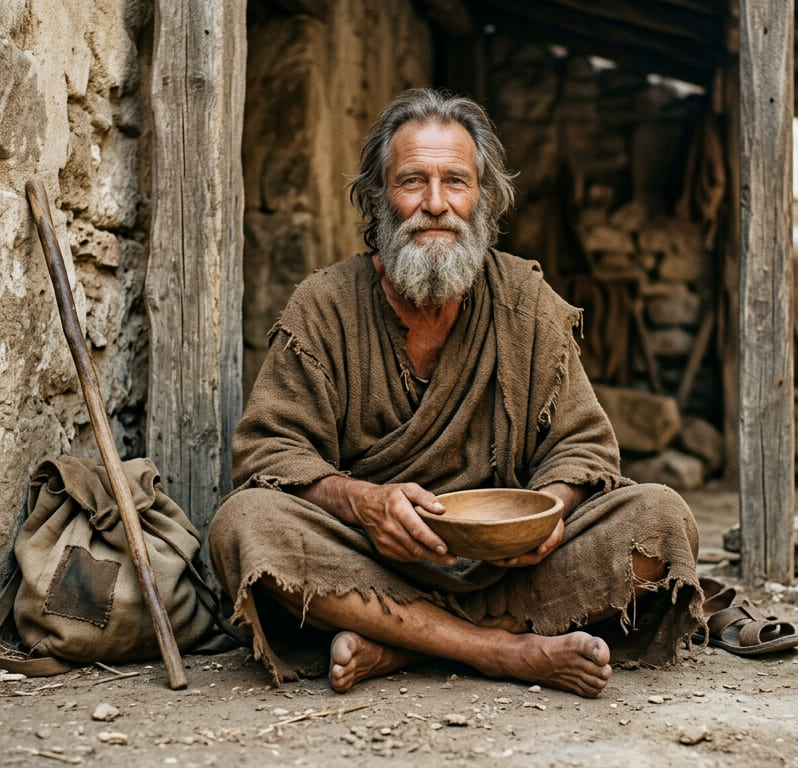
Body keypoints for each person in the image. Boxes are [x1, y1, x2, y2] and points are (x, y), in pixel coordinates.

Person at [207, 89, 707, 699]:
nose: (436, 205)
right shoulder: (323, 306)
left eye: (456, 182)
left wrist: (548, 514)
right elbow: (267, 455)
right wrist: (363, 503)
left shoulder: (526, 301)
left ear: (485, 199)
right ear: (377, 198)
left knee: (660, 519)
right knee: (245, 525)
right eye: (412, 181)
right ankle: (499, 650)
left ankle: (399, 644)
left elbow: (586, 449)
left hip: (508, 569)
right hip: (370, 560)